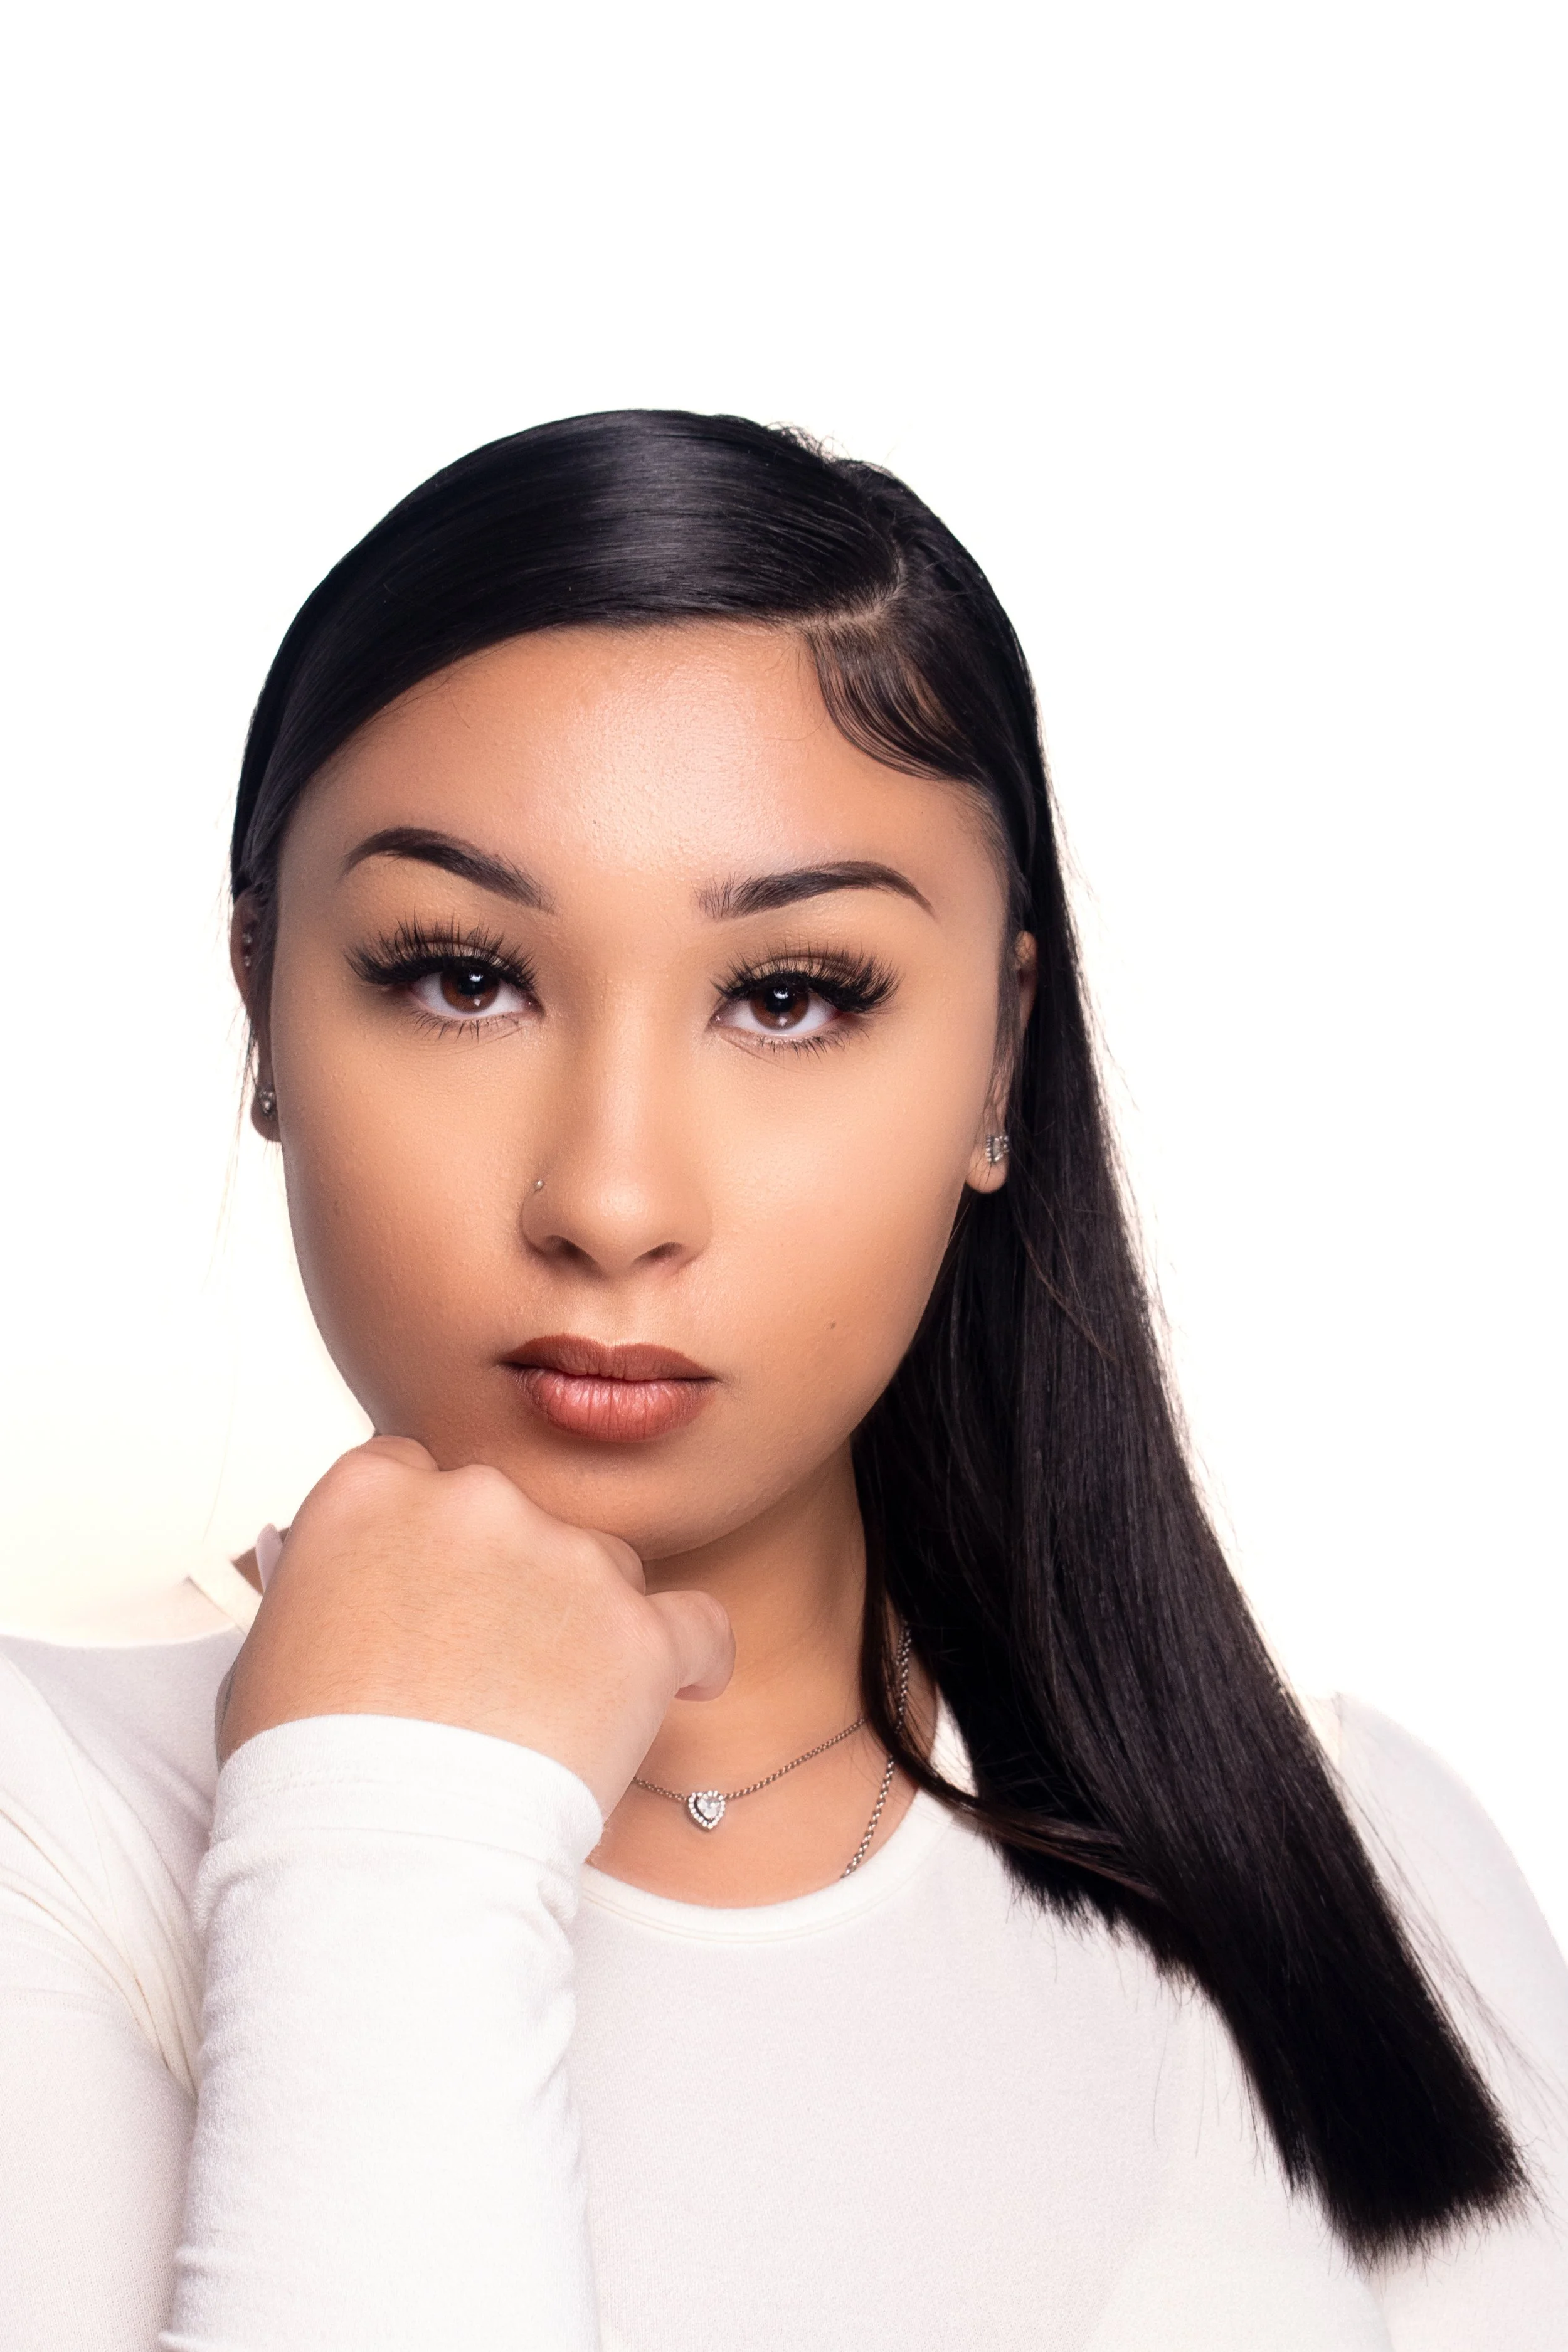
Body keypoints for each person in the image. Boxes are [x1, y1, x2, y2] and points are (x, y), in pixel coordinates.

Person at [1, 411, 1564, 2352]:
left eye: (791, 994)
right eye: (458, 973)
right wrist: (393, 1814)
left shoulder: (1366, 1861)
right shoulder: (44, 1829)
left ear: (998, 1054)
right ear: (262, 1004)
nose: (614, 1196)